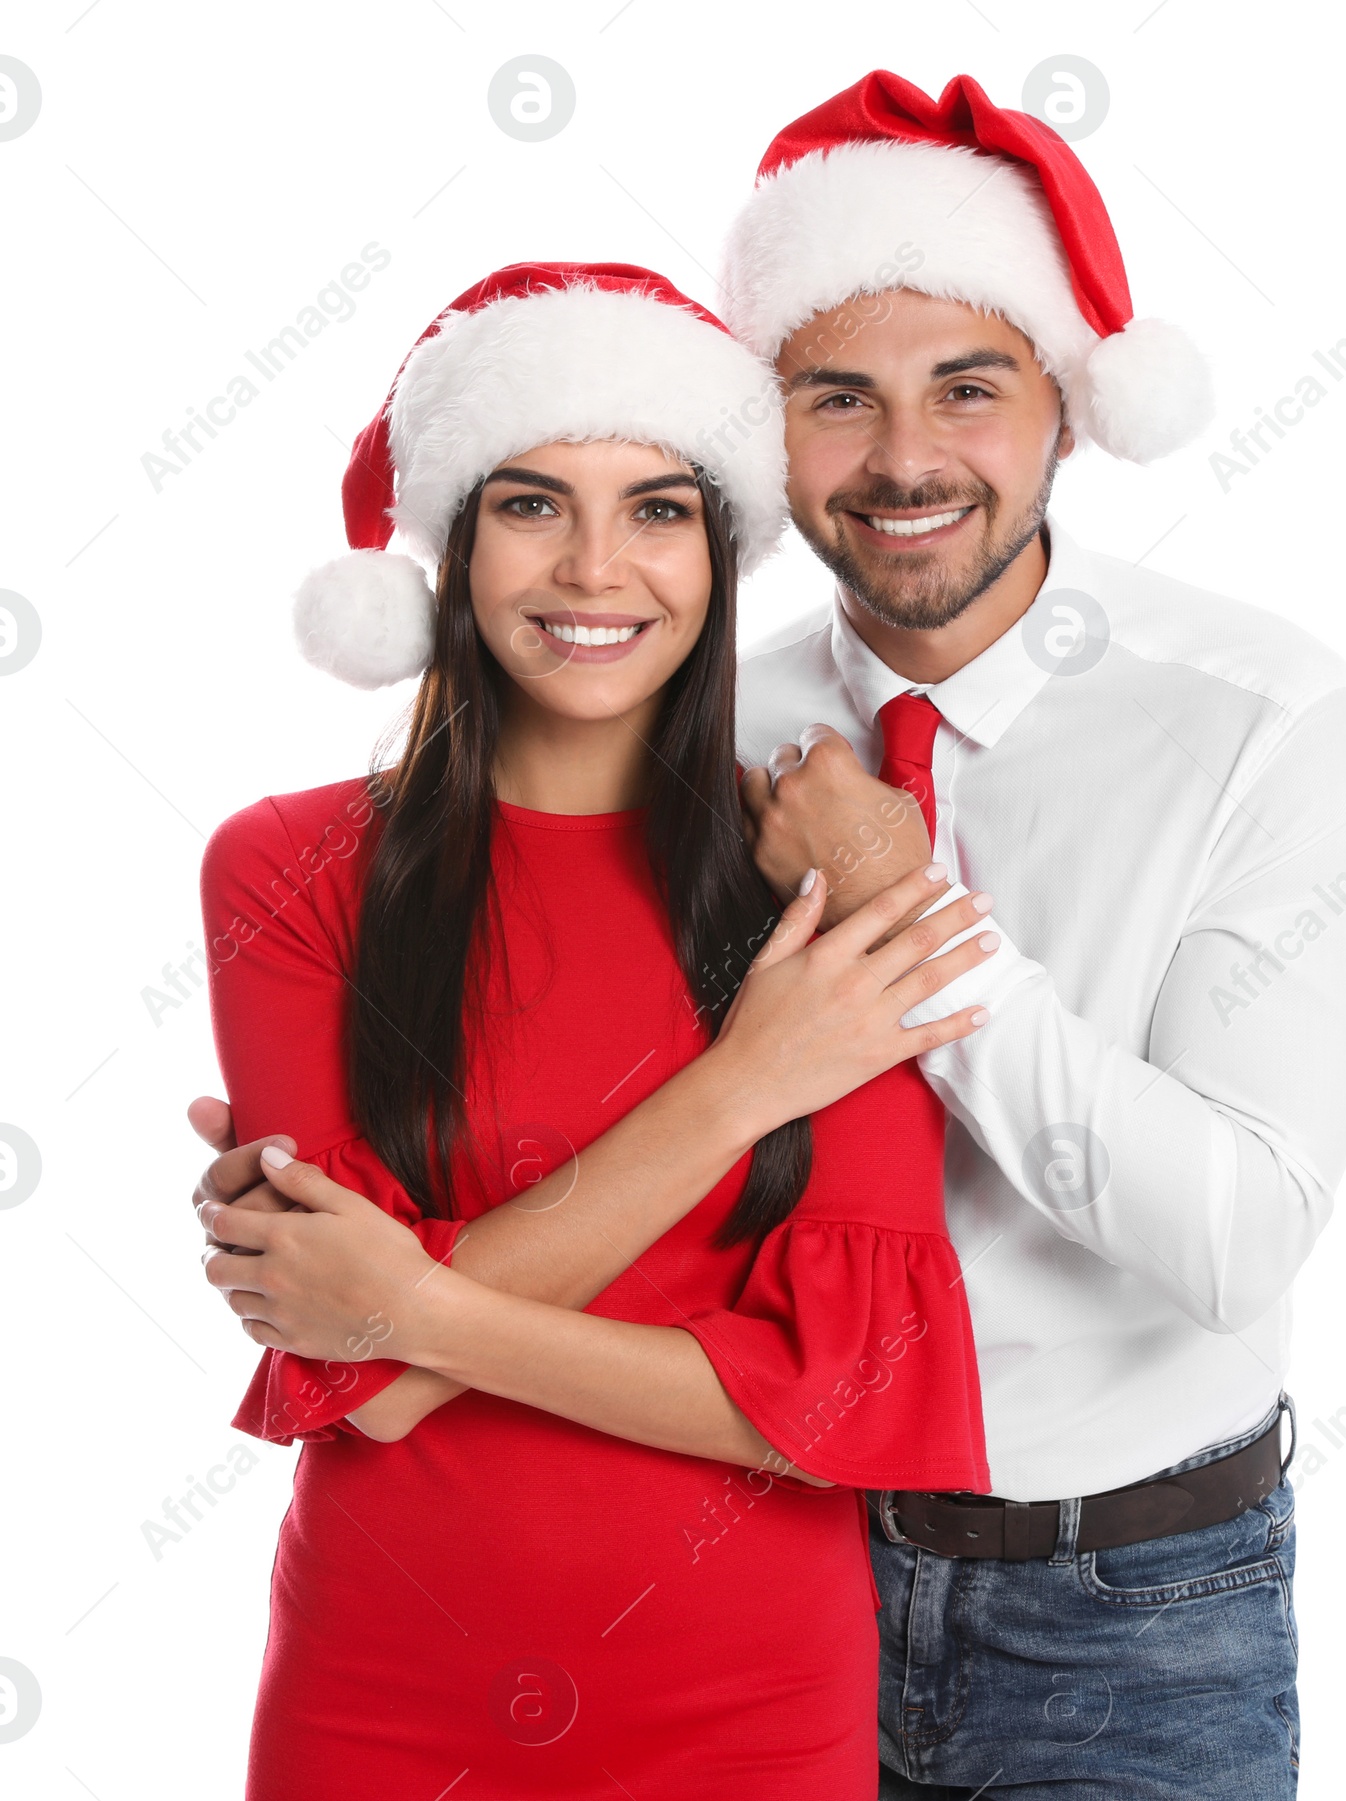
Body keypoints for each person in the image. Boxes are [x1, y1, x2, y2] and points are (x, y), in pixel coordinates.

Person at [192, 260, 998, 1799]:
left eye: (656, 509)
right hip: (381, 1688)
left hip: (749, 1705)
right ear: (451, 546)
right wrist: (741, 1085)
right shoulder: (287, 870)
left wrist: (416, 1306)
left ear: (721, 548)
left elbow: (831, 1399)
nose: (592, 569)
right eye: (529, 504)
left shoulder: (812, 884)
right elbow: (349, 1374)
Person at [721, 73, 1346, 1797]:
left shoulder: (1262, 716)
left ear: (1068, 413)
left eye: (969, 388)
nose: (904, 461)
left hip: (1138, 1613)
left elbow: (1237, 1234)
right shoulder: (705, 721)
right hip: (763, 1565)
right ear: (768, 431)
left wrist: (896, 902)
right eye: (838, 400)